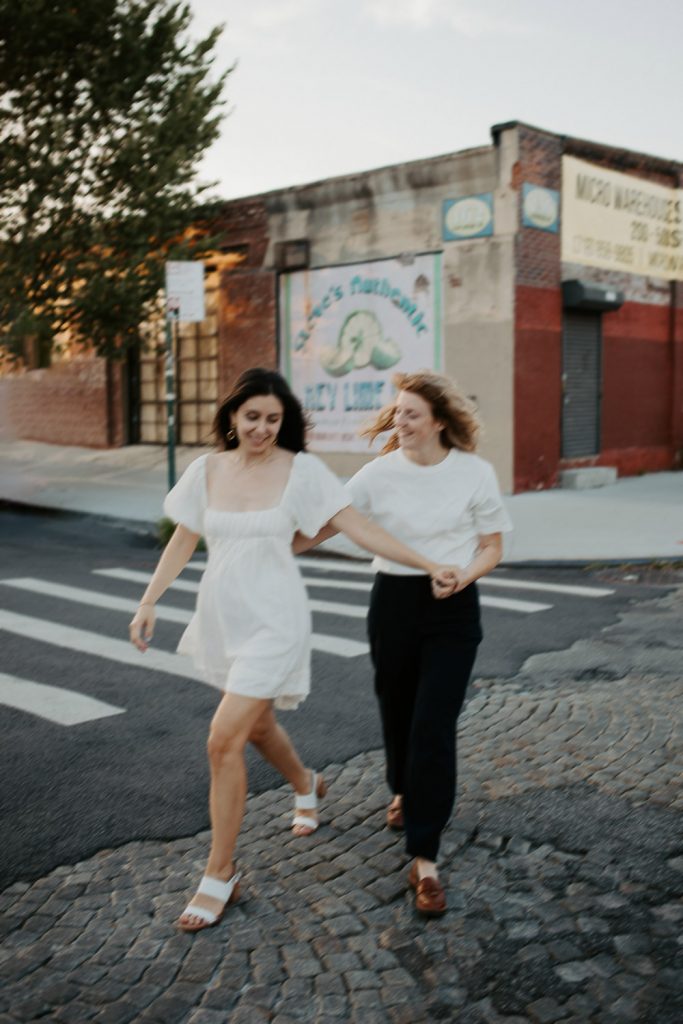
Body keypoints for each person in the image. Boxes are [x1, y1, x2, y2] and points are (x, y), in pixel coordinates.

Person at [128, 368, 455, 933]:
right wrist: (149, 600)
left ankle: (219, 872)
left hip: (276, 620)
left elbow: (354, 525)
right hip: (224, 615)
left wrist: (427, 563)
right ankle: (306, 783)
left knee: (223, 738)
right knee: (254, 728)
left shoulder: (300, 471)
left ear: (285, 422)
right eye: (252, 416)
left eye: (273, 419)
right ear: (232, 415)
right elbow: (185, 535)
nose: (261, 428)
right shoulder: (206, 469)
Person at [295, 370, 512, 917]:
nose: (400, 421)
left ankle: (425, 856)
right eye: (396, 412)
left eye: (411, 413)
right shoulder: (376, 475)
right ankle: (400, 788)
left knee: (432, 725)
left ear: (439, 420)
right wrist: (272, 543)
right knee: (397, 710)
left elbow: (491, 546)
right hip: (393, 602)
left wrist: (464, 575)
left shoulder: (474, 473)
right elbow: (326, 525)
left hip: (453, 607)